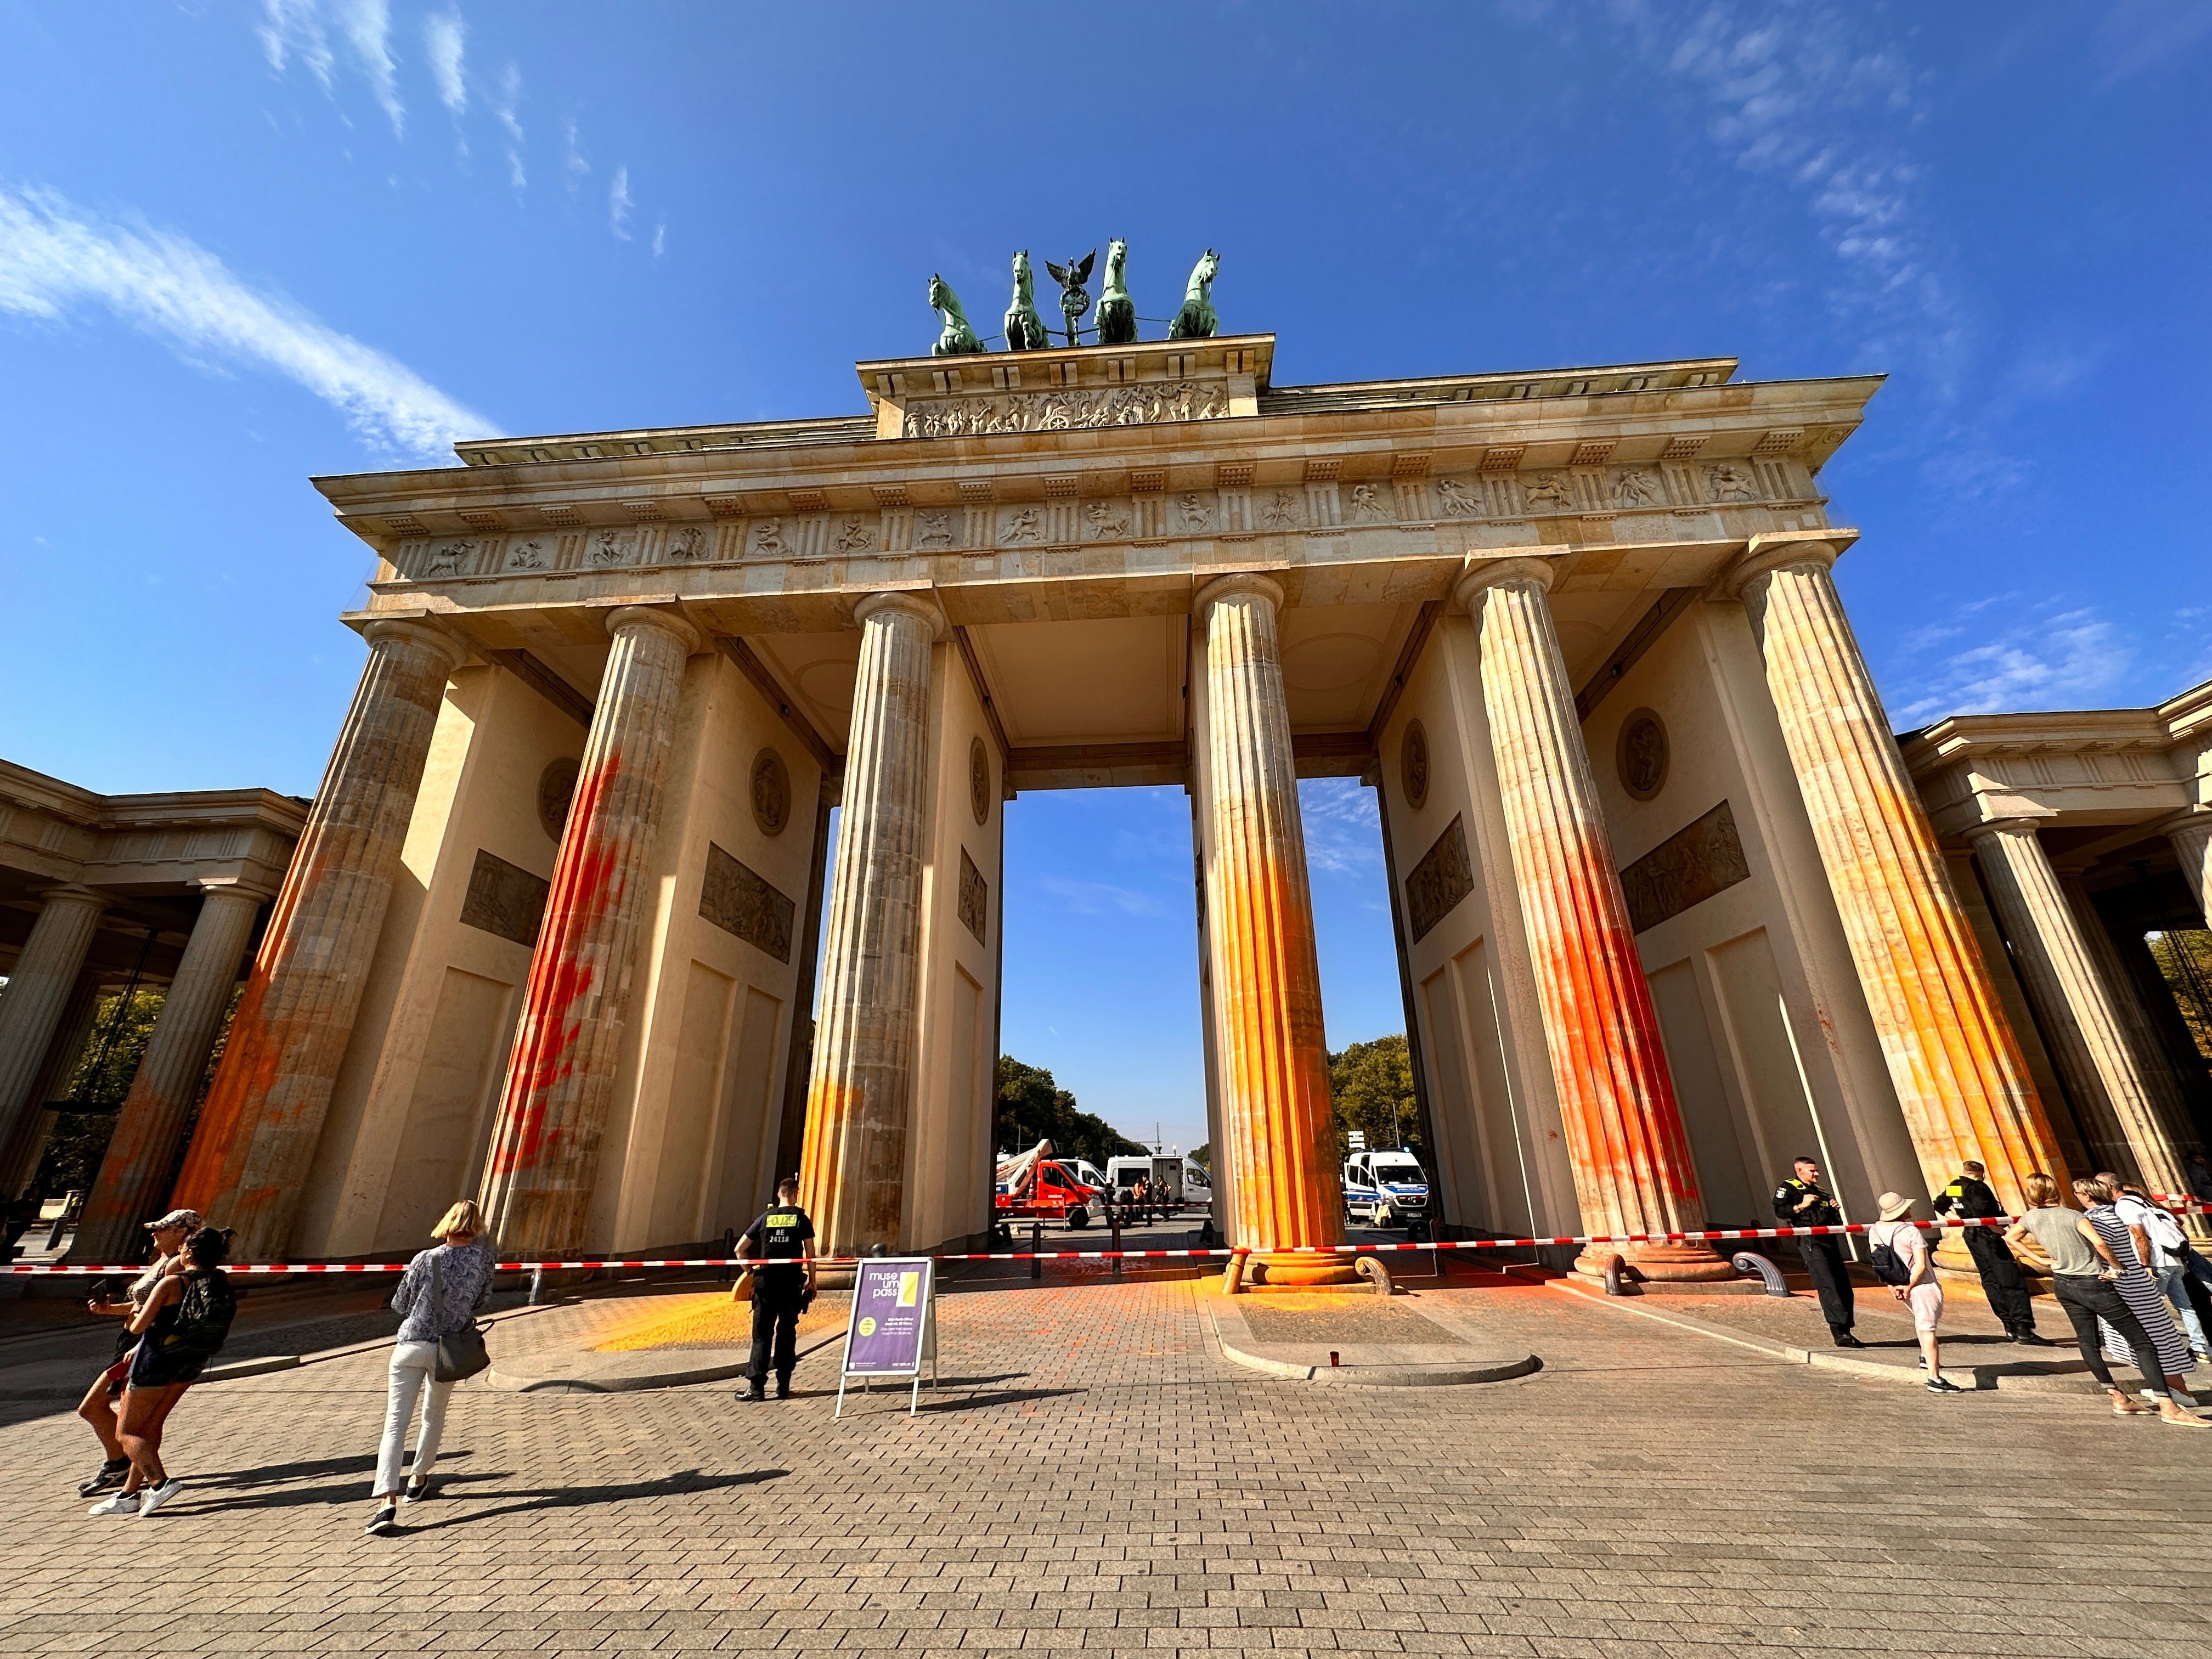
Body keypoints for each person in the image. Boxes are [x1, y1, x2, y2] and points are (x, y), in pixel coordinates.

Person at [2007, 1173, 2203, 1427]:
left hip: (2065, 1283)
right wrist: (2119, 1267)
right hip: (2104, 1282)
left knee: (2088, 1342)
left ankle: (2119, 1396)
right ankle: (2170, 1402)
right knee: (2148, 1338)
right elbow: (2102, 1243)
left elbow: (2011, 1237)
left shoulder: (2032, 1217)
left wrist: (2044, 1262)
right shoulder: (2083, 1216)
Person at [365, 1200, 496, 1537]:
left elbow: (400, 1303)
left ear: (447, 1223)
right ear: (476, 1225)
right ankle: (419, 1479)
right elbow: (482, 1300)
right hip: (449, 1349)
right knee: (433, 1415)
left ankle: (386, 1502)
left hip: (411, 1346)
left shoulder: (426, 1258)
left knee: (396, 1422)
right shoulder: (484, 1259)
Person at [87, 1226, 238, 1515]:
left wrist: (131, 1320)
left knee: (127, 1432)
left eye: (183, 1247)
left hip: (155, 1362)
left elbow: (138, 1327)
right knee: (150, 1427)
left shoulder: (171, 1283)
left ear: (189, 1252)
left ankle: (160, 1484)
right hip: (190, 1362)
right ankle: (128, 1496)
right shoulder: (217, 1281)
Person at [75, 1207, 198, 1499]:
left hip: (144, 1345)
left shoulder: (176, 1267)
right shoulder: (163, 1260)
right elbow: (142, 1305)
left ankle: (128, 1469)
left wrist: (139, 1345)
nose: (154, 1233)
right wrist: (109, 1310)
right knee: (131, 1419)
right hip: (133, 1341)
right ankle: (125, 1470)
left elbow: (167, 1313)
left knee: (94, 1408)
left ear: (181, 1233)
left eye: (161, 1229)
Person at [2078, 1176, 2199, 1406]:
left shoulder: (2095, 1218)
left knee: (2144, 1335)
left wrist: (2119, 1268)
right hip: (2139, 1278)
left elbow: (2116, 1241)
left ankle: (2172, 1390)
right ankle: (2175, 1387)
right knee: (2159, 1330)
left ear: (2087, 1195)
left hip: (2125, 1281)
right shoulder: (2124, 1209)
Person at [1931, 1160, 2049, 1344]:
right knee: (2011, 1279)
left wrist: (1959, 1221)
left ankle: (2009, 1325)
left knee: (1991, 1279)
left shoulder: (1956, 1187)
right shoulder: (1978, 1188)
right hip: (1988, 1236)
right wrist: (1999, 1230)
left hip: (1972, 1235)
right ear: (1980, 1173)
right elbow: (1985, 1213)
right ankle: (2023, 1329)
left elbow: (1940, 1204)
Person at [2107, 1175, 2209, 1360]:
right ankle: (2199, 1348)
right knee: (2185, 1306)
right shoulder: (2153, 1207)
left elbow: (2139, 1235)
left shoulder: (2124, 1205)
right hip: (2175, 1261)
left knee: (2150, 1307)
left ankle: (2160, 1349)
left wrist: (2145, 1265)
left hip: (2157, 1262)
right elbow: (2181, 1231)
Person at [1866, 1193, 1961, 1393]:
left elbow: (1879, 1262)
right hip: (1922, 1285)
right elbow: (1920, 1264)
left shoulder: (1875, 1229)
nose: (1910, 1209)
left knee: (1921, 1322)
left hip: (1898, 1283)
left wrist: (1893, 1286)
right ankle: (1934, 1378)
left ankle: (1925, 1357)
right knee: (1928, 1330)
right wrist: (1910, 1285)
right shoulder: (1911, 1231)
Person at [736, 1177, 816, 1403]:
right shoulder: (801, 1218)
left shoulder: (765, 1218)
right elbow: (810, 1254)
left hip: (767, 1284)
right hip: (791, 1284)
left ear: (779, 1195)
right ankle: (784, 1385)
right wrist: (813, 1281)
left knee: (762, 1336)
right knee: (787, 1332)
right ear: (795, 1194)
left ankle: (756, 1388)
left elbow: (739, 1250)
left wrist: (751, 1272)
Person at [1774, 1157, 1862, 1346]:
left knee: (1843, 1285)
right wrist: (1801, 1206)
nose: (1816, 1174)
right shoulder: (1789, 1188)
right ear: (1799, 1171)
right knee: (1827, 1283)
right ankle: (1839, 1330)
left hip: (1830, 1240)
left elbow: (1834, 1220)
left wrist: (1834, 1209)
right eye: (1812, 1171)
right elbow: (1780, 1211)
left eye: (1816, 1170)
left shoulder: (1822, 1192)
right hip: (1810, 1241)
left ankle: (1846, 1326)